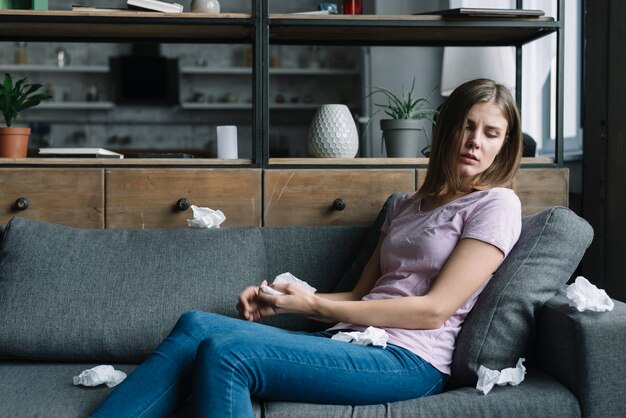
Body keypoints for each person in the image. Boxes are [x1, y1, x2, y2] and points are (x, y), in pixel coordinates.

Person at [90, 78, 523, 418]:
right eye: (467, 126)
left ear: (504, 145)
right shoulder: (407, 204)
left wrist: (316, 306)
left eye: (491, 133)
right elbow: (359, 295)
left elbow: (433, 310)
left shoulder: (495, 204)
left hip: (410, 360)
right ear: (447, 129)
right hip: (356, 339)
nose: (474, 141)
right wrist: (282, 303)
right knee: (197, 326)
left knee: (227, 355)